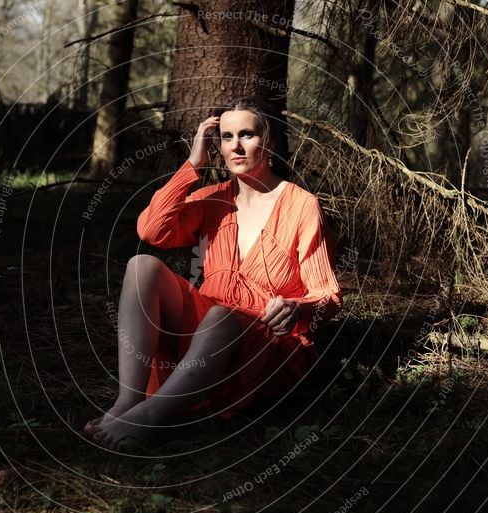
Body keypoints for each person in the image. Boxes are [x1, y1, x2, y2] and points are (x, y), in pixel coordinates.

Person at [84, 97, 343, 451]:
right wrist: (192, 164)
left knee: (221, 315)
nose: (235, 145)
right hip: (207, 333)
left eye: (247, 134)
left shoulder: (300, 204)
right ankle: (128, 401)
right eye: (226, 136)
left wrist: (298, 308)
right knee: (140, 266)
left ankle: (150, 416)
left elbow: (328, 294)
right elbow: (151, 230)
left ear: (267, 141)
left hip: (265, 342)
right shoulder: (212, 199)